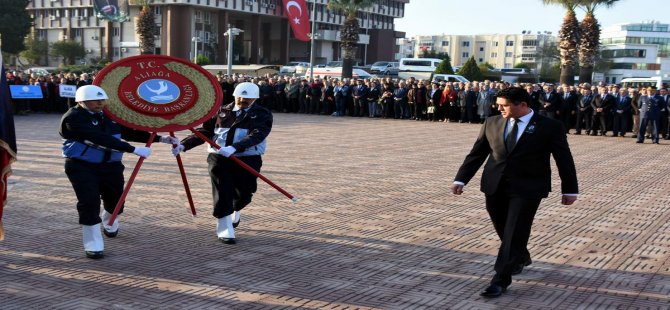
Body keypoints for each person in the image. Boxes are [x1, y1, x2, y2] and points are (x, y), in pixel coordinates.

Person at [450, 86, 578, 298]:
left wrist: (570, 190)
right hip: (494, 184)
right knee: (503, 227)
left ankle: (500, 279)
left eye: (504, 105)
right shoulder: (492, 122)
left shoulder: (550, 126)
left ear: (523, 105)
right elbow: (477, 153)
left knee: (513, 230)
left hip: (528, 187)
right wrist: (461, 179)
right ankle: (520, 255)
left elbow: (564, 159)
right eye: (498, 104)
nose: (498, 108)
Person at [60, 85, 177, 259]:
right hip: (82, 166)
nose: (100, 103)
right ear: (82, 101)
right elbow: (99, 139)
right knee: (89, 202)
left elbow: (128, 131)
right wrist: (132, 150)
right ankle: (93, 243)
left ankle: (109, 219)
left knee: (116, 200)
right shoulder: (73, 118)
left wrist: (160, 138)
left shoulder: (108, 115)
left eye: (102, 100)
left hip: (111, 166)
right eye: (95, 100)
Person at [173, 82, 272, 244]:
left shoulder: (262, 113)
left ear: (255, 99)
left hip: (247, 158)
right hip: (219, 158)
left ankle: (235, 208)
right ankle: (224, 225)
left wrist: (235, 147)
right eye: (239, 96)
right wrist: (184, 145)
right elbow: (205, 131)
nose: (242, 100)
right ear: (234, 95)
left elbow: (258, 134)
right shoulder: (221, 111)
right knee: (222, 190)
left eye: (247, 98)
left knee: (244, 193)